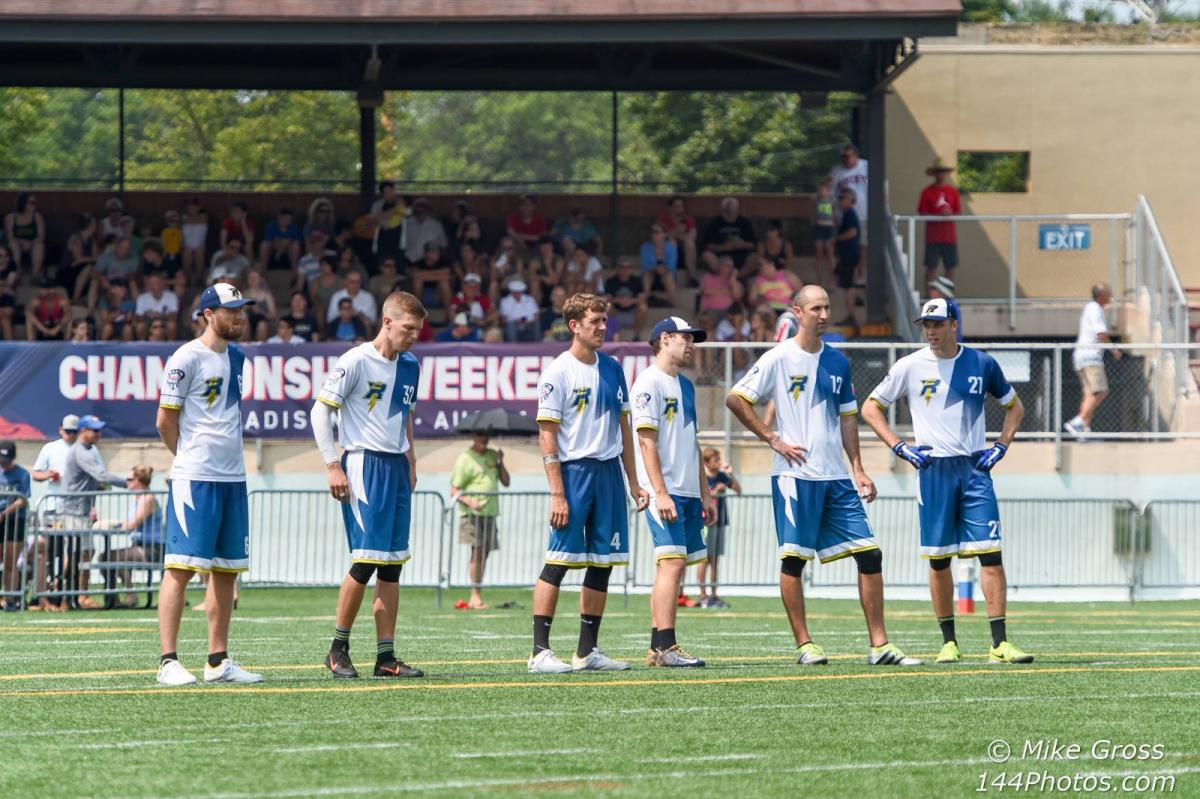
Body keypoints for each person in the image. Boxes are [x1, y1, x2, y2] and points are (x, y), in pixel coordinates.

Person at [727, 285, 921, 667]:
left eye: (827, 307)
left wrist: (858, 469)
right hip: (795, 477)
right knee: (794, 560)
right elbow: (736, 398)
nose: (824, 314)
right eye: (816, 308)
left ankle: (880, 645)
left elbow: (848, 417)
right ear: (797, 312)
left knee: (870, 554)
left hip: (836, 478)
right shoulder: (779, 358)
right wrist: (773, 439)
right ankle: (805, 644)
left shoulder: (837, 361)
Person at [861, 297, 1033, 665]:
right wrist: (899, 446)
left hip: (974, 469)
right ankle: (949, 642)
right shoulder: (909, 366)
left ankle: (999, 644)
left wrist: (1001, 446)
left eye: (938, 323)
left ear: (955, 324)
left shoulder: (982, 363)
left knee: (991, 553)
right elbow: (870, 407)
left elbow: (1015, 406)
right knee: (939, 560)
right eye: (926, 325)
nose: (931, 331)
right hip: (933, 471)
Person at [529, 293, 649, 674]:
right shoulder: (557, 373)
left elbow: (625, 428)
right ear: (574, 325)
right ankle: (539, 652)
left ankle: (587, 652)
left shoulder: (613, 369)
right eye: (595, 321)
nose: (602, 327)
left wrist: (634, 482)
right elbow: (547, 436)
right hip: (574, 474)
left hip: (609, 473)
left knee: (603, 563)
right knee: (558, 562)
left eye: (604, 320)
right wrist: (558, 493)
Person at [312, 291, 427, 680]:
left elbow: (406, 416)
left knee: (392, 566)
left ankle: (386, 657)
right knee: (364, 561)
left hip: (396, 466)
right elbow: (320, 411)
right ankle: (337, 649)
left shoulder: (410, 365)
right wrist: (333, 465)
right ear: (387, 322)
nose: (414, 336)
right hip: (364, 463)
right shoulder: (356, 361)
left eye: (418, 330)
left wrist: (412, 461)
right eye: (408, 328)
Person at [155, 282, 263, 686]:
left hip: (232, 477)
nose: (240, 317)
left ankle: (218, 662)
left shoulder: (238, 357)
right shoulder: (186, 357)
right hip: (195, 478)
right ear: (208, 314)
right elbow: (165, 420)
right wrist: (186, 458)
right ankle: (168, 662)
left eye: (242, 310)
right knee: (181, 568)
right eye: (232, 311)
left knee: (226, 570)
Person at [632, 317, 717, 667]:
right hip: (664, 490)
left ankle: (658, 648)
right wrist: (660, 491)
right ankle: (667, 646)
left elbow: (692, 441)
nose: (691, 345)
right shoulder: (648, 382)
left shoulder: (686, 386)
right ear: (665, 339)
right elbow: (646, 442)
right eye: (686, 338)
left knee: (673, 566)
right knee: (672, 563)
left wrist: (706, 493)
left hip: (688, 490)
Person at [60, 414, 128, 609]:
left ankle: (74, 595)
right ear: (83, 430)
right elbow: (101, 474)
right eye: (95, 430)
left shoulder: (87, 450)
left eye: (99, 430)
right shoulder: (81, 451)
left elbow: (96, 480)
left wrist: (100, 487)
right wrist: (128, 483)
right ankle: (69, 595)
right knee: (78, 553)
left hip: (80, 510)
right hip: (73, 510)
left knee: (83, 553)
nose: (99, 434)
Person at [450, 431, 511, 610]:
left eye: (486, 435)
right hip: (471, 514)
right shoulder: (464, 458)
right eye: (480, 434)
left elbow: (506, 482)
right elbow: (454, 490)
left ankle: (477, 593)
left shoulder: (493, 455)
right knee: (477, 551)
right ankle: (475, 596)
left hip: (490, 513)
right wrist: (470, 502)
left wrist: (501, 462)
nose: (484, 438)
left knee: (484, 553)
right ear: (473, 436)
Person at [29, 416, 79, 611]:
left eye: (74, 432)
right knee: (51, 552)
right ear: (60, 430)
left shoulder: (86, 449)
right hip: (53, 508)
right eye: (68, 431)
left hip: (76, 509)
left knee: (74, 551)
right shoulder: (50, 448)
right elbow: (36, 473)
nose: (71, 435)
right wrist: (48, 474)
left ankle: (67, 593)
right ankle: (49, 593)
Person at [1065, 282, 1121, 438]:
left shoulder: (1091, 308)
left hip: (1081, 357)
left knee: (1089, 394)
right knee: (1101, 391)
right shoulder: (1095, 309)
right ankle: (1078, 421)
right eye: (1108, 293)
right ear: (1101, 295)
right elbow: (1101, 334)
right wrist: (1114, 349)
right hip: (1090, 357)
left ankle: (1084, 430)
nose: (1111, 296)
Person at [107, 465, 165, 608]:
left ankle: (130, 595)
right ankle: (118, 598)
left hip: (153, 548)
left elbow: (132, 524)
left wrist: (112, 524)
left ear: (139, 481)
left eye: (129, 479)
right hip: (140, 546)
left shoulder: (147, 499)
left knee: (111, 557)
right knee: (107, 557)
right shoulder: (138, 499)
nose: (126, 482)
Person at [698, 448, 740, 608]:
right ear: (707, 462)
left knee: (715, 559)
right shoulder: (702, 477)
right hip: (707, 522)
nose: (719, 462)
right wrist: (715, 491)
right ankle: (703, 595)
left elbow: (738, 490)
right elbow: (704, 497)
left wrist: (731, 474)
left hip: (720, 520)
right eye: (715, 459)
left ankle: (714, 594)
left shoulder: (722, 476)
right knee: (704, 559)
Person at [918, 158, 962, 286]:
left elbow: (958, 212)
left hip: (949, 237)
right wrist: (937, 215)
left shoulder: (953, 191)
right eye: (938, 171)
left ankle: (947, 295)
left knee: (950, 268)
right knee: (931, 267)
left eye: (943, 171)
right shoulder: (926, 192)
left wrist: (949, 213)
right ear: (934, 173)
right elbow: (922, 212)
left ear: (947, 173)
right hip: (933, 237)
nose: (941, 174)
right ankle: (930, 295)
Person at [0, 441, 31, 611]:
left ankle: (11, 599)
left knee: (10, 561)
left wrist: (4, 513)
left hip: (14, 520)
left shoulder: (22, 474)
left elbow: (22, 500)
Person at [701, 197, 757, 276]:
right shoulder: (714, 223)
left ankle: (737, 277)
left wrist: (741, 244)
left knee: (755, 257)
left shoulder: (745, 222)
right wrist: (723, 247)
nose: (731, 213)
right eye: (728, 211)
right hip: (720, 256)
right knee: (706, 256)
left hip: (741, 255)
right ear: (723, 210)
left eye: (733, 210)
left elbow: (753, 244)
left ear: (737, 210)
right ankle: (723, 276)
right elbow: (707, 245)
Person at [834, 189, 861, 327]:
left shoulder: (850, 213)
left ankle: (852, 317)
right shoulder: (847, 214)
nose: (841, 201)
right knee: (847, 284)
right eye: (840, 198)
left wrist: (838, 238)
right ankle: (851, 314)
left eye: (843, 198)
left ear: (850, 199)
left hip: (849, 254)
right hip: (848, 253)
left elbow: (853, 232)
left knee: (848, 285)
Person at [656, 195, 698, 283]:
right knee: (671, 242)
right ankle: (671, 276)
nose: (680, 208)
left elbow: (692, 236)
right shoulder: (663, 221)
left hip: (686, 255)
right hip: (667, 255)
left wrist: (673, 234)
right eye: (677, 206)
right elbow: (658, 237)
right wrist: (677, 232)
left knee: (689, 243)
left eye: (681, 206)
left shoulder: (688, 220)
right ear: (670, 208)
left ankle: (692, 277)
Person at [605, 258, 648, 340]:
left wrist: (631, 301)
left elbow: (642, 299)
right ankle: (611, 336)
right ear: (617, 269)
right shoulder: (610, 281)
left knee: (643, 307)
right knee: (607, 306)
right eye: (622, 267)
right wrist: (618, 300)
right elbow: (607, 298)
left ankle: (636, 336)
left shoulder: (637, 281)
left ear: (630, 269)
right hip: (616, 312)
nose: (624, 270)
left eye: (627, 267)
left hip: (632, 312)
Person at [5, 191, 46, 277]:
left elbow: (41, 236)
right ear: (23, 203)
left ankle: (35, 275)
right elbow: (10, 237)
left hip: (33, 244)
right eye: (32, 203)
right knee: (13, 245)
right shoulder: (11, 218)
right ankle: (15, 274)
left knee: (39, 245)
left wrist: (30, 243)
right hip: (17, 243)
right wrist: (22, 242)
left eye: (35, 202)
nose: (34, 205)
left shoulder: (37, 217)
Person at [135, 272, 179, 341]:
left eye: (157, 282)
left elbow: (174, 316)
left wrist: (160, 316)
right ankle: (142, 345)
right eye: (151, 283)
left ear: (163, 283)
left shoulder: (171, 296)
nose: (154, 285)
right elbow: (138, 316)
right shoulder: (142, 297)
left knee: (172, 324)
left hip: (164, 321)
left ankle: (171, 344)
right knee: (140, 325)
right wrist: (147, 315)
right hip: (148, 322)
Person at [260, 206, 302, 271]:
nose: (288, 222)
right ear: (279, 217)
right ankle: (263, 271)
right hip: (273, 255)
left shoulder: (294, 228)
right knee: (264, 245)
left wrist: (284, 243)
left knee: (296, 246)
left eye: (290, 220)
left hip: (288, 256)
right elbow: (268, 242)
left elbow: (298, 243)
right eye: (285, 219)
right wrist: (282, 243)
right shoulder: (271, 226)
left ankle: (295, 272)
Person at [812, 178, 836, 287]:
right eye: (820, 190)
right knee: (819, 254)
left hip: (829, 228)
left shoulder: (832, 201)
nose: (822, 192)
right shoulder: (816, 201)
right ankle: (819, 280)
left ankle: (832, 280)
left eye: (824, 190)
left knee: (830, 253)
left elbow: (835, 215)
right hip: (819, 228)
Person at [927, 276, 963, 343]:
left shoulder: (948, 306)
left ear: (942, 291)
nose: (930, 291)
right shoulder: (949, 304)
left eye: (934, 288)